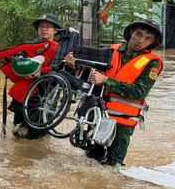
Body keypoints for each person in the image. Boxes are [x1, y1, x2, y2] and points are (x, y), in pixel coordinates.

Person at [65, 19, 163, 167]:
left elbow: (139, 92)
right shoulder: (110, 50)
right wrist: (74, 67)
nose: (140, 40)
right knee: (90, 162)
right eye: (138, 34)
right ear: (131, 33)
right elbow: (89, 78)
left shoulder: (152, 62)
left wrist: (106, 81)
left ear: (152, 42)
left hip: (122, 122)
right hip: (97, 115)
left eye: (147, 38)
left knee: (113, 167)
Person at [8, 13, 61, 139]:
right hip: (24, 93)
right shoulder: (29, 47)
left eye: (48, 26)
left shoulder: (59, 49)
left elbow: (57, 69)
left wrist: (41, 73)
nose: (44, 29)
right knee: (17, 132)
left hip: (44, 95)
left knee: (38, 138)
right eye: (41, 26)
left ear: (55, 31)